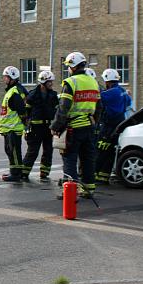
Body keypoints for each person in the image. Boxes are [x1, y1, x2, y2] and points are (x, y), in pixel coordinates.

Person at [50, 52, 101, 199]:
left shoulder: (71, 83)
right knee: (87, 159)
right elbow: (99, 106)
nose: (68, 69)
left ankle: (70, 192)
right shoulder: (93, 82)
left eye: (68, 66)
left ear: (72, 66)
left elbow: (63, 108)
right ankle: (89, 189)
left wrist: (55, 126)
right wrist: (94, 122)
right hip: (89, 127)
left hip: (73, 128)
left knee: (69, 158)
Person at [94, 69, 132, 184]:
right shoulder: (122, 91)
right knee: (110, 151)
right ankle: (104, 177)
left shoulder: (111, 92)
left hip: (109, 125)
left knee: (100, 150)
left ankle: (94, 176)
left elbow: (97, 97)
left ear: (107, 81)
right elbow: (128, 102)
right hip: (119, 122)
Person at [22, 70, 59, 181]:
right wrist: (26, 126)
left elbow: (57, 110)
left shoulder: (53, 95)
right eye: (49, 82)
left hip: (48, 128)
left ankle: (44, 172)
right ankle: (24, 172)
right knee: (33, 151)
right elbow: (26, 112)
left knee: (48, 151)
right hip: (35, 128)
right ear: (43, 82)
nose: (51, 84)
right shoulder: (32, 95)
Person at [0, 66, 28, 182]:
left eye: (6, 77)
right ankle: (14, 172)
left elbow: (21, 109)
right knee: (10, 151)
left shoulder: (15, 92)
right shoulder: (13, 90)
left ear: (12, 78)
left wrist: (26, 124)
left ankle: (16, 174)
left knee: (14, 152)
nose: (4, 79)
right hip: (9, 127)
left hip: (14, 127)